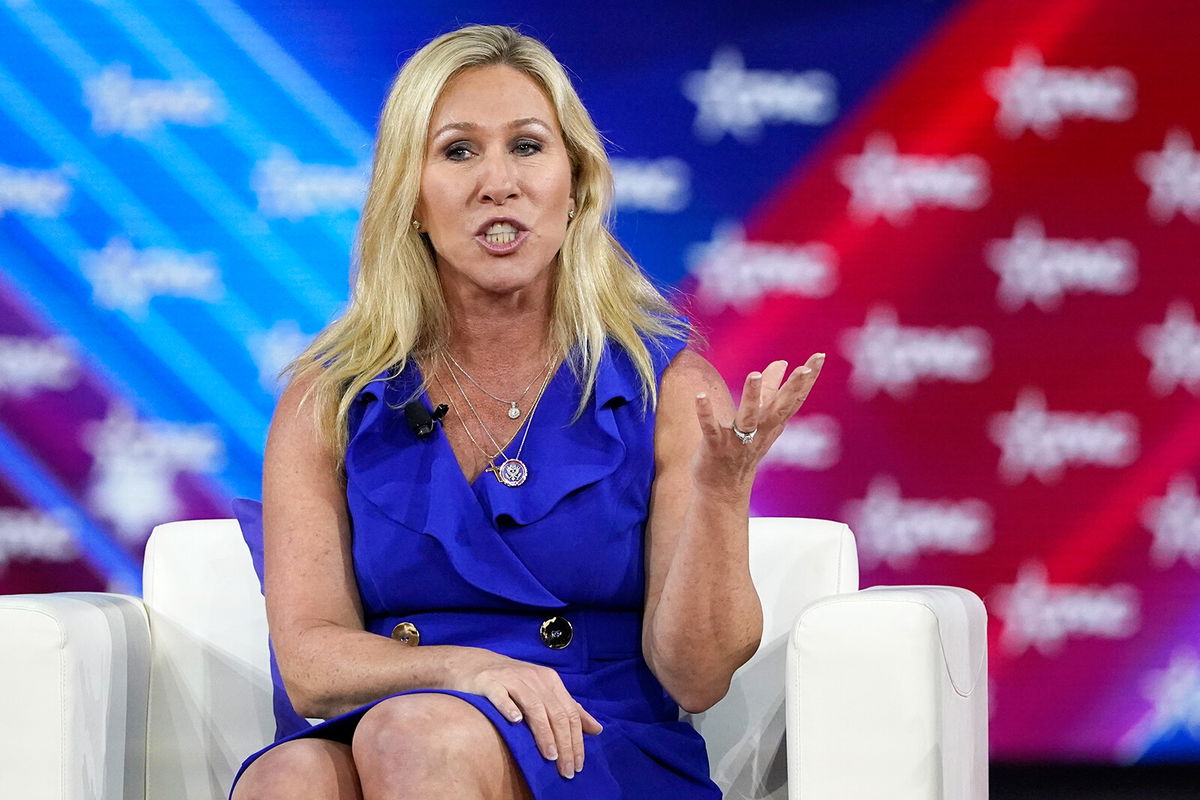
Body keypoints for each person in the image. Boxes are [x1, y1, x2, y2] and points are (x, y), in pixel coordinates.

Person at [229, 23, 823, 800]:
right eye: (458, 151)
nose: (497, 182)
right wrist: (469, 669)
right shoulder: (329, 398)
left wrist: (722, 491)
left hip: (590, 734)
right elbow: (310, 667)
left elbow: (699, 676)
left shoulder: (668, 387)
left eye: (528, 147)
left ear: (574, 186)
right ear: (409, 197)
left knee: (414, 736)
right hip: (398, 709)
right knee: (294, 774)